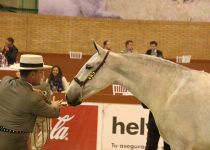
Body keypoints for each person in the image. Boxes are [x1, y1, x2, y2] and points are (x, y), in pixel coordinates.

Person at [0, 54, 63, 150]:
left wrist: (31, 89)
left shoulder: (5, 81)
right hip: (16, 145)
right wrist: (55, 105)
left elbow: (16, 83)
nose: (43, 75)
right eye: (41, 72)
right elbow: (54, 112)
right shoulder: (33, 98)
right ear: (33, 74)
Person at [144, 41, 170, 150]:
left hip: (168, 124)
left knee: (167, 147)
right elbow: (144, 104)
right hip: (155, 123)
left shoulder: (169, 83)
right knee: (151, 147)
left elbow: (144, 104)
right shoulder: (150, 83)